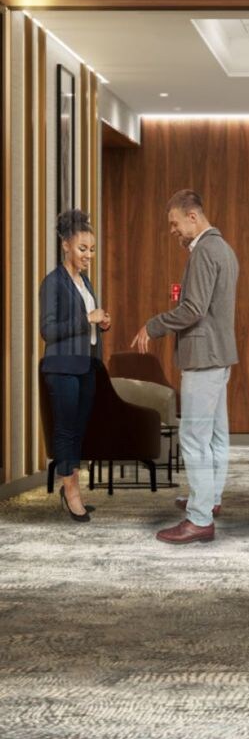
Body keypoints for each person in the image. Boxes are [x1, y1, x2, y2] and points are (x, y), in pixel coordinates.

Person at [132, 187, 239, 546]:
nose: (173, 231)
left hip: (202, 359)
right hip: (219, 356)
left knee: (194, 438)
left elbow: (193, 311)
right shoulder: (224, 249)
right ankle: (209, 499)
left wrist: (153, 325)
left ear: (193, 217)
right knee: (216, 436)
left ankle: (199, 519)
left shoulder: (205, 251)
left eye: (175, 223)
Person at [39, 208, 111, 523]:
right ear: (66, 244)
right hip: (62, 367)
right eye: (83, 248)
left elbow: (88, 324)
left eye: (92, 249)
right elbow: (48, 330)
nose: (89, 255)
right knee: (65, 430)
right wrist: (87, 319)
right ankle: (72, 494)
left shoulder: (85, 282)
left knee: (79, 431)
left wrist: (102, 322)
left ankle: (71, 487)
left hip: (86, 366)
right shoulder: (53, 282)